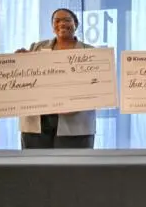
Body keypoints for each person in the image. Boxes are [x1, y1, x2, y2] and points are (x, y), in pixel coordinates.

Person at [17, 8, 97, 149]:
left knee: (70, 169)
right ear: (53, 26)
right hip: (39, 121)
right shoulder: (36, 48)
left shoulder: (91, 52)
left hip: (75, 121)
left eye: (67, 20)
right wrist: (18, 60)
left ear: (76, 24)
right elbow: (23, 78)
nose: (62, 23)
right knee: (36, 168)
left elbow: (98, 85)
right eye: (57, 20)